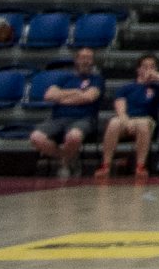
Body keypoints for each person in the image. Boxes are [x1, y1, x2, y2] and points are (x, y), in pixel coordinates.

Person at [28, 46, 105, 176]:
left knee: (74, 136)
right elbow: (49, 95)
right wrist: (75, 92)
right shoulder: (65, 78)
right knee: (36, 137)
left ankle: (64, 163)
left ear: (93, 61)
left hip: (84, 118)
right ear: (76, 60)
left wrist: (61, 97)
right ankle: (68, 158)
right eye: (82, 58)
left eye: (89, 58)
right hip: (58, 119)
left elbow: (88, 97)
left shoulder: (97, 79)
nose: (85, 61)